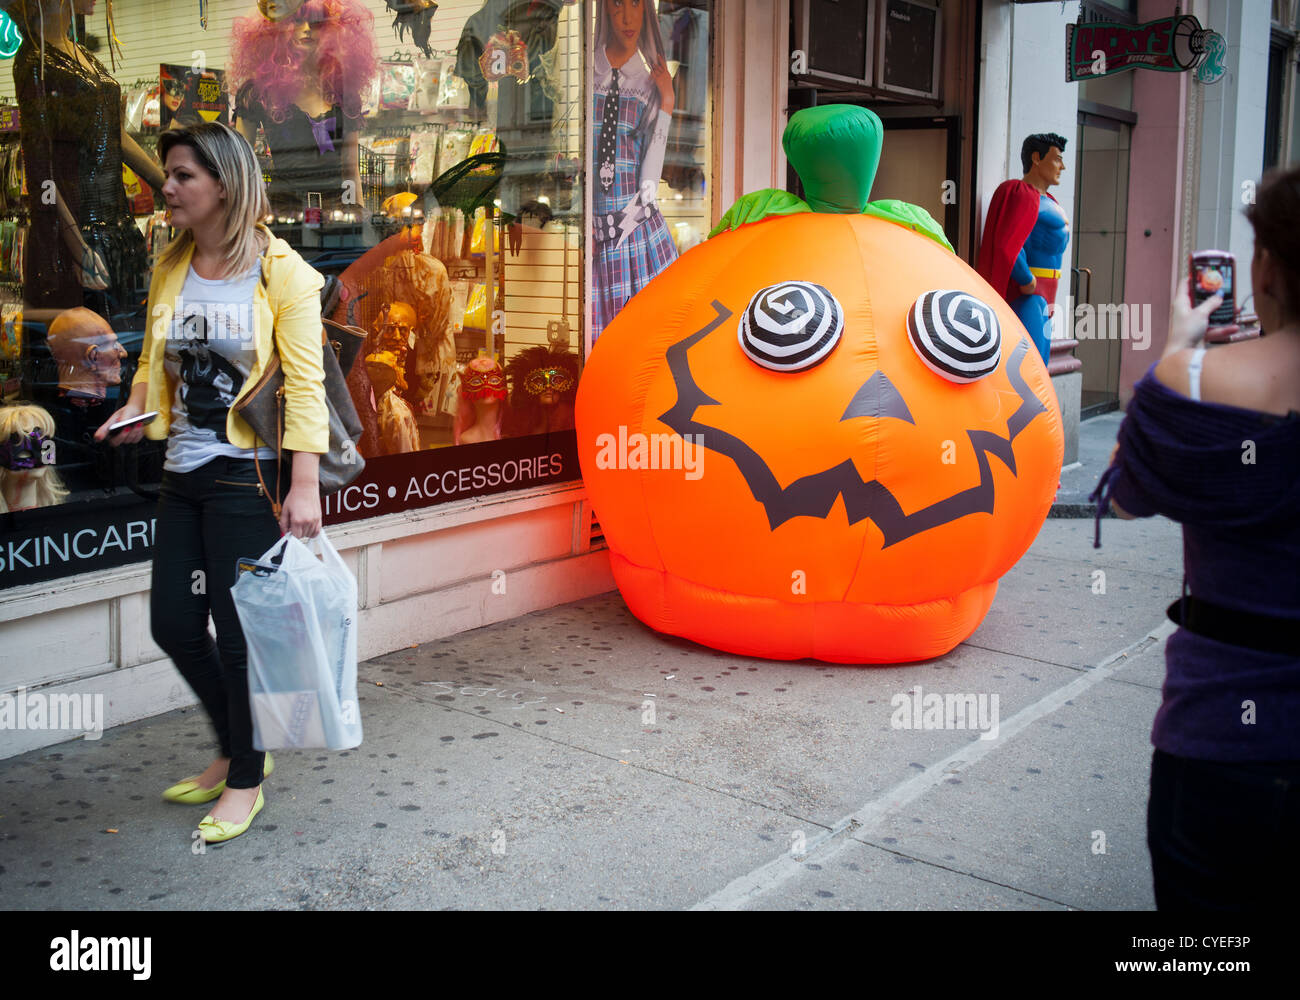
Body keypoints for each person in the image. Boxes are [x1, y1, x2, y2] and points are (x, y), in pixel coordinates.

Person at [95, 122, 328, 844]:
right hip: (181, 474)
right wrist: (134, 411)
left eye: (181, 176)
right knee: (173, 624)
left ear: (223, 184)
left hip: (244, 479)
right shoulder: (172, 264)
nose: (165, 187)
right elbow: (153, 364)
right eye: (167, 175)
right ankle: (233, 746)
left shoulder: (281, 272)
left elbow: (307, 383)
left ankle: (246, 779)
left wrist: (305, 485)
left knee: (237, 638)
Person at [1092, 166, 1300, 911]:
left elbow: (1121, 497)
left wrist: (1180, 352)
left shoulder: (1197, 381)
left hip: (1219, 734)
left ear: (1267, 267)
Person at [3, 0, 164, 308]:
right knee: (90, 341)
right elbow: (40, 169)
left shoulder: (82, 54)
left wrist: (166, 183)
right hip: (77, 230)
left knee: (118, 338)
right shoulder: (34, 62)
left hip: (113, 223)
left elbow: (114, 133)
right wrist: (78, 248)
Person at [230, 0, 377, 222]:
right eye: (297, 21)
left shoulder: (343, 91)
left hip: (335, 217)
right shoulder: (258, 91)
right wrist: (241, 222)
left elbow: (351, 169)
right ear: (278, 28)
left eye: (316, 22)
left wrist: (359, 224)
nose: (307, 28)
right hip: (285, 216)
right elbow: (240, 167)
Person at [591, 0, 678, 343]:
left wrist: (667, 101)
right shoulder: (587, 72)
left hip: (634, 233)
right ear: (604, 11)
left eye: (636, 5)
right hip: (594, 236)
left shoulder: (648, 82)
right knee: (599, 344)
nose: (627, 17)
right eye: (617, 5)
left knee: (641, 341)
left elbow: (649, 176)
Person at [976, 132, 1070, 366]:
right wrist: (1026, 278)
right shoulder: (1020, 193)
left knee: (1041, 362)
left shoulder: (1048, 200)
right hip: (1028, 294)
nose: (1063, 166)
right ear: (1036, 158)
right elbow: (1009, 242)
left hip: (1046, 294)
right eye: (1057, 159)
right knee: (1031, 364)